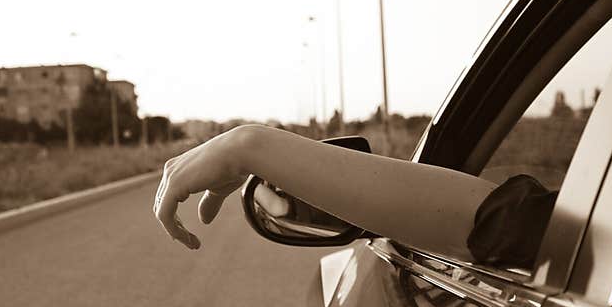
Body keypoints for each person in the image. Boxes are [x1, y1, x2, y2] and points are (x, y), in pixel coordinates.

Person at [153, 124, 557, 269]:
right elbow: (512, 224)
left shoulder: (575, 241)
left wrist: (249, 146)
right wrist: (247, 146)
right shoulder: (597, 242)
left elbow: (503, 225)